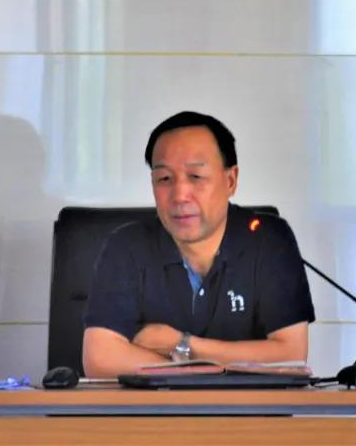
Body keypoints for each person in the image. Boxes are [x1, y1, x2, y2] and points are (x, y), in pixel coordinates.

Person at [82, 111, 315, 377]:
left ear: (230, 181)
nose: (180, 195)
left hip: (247, 406)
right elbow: (100, 360)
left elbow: (290, 355)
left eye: (195, 176)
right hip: (155, 406)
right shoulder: (126, 246)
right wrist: (206, 372)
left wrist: (183, 345)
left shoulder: (269, 240)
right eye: (164, 179)